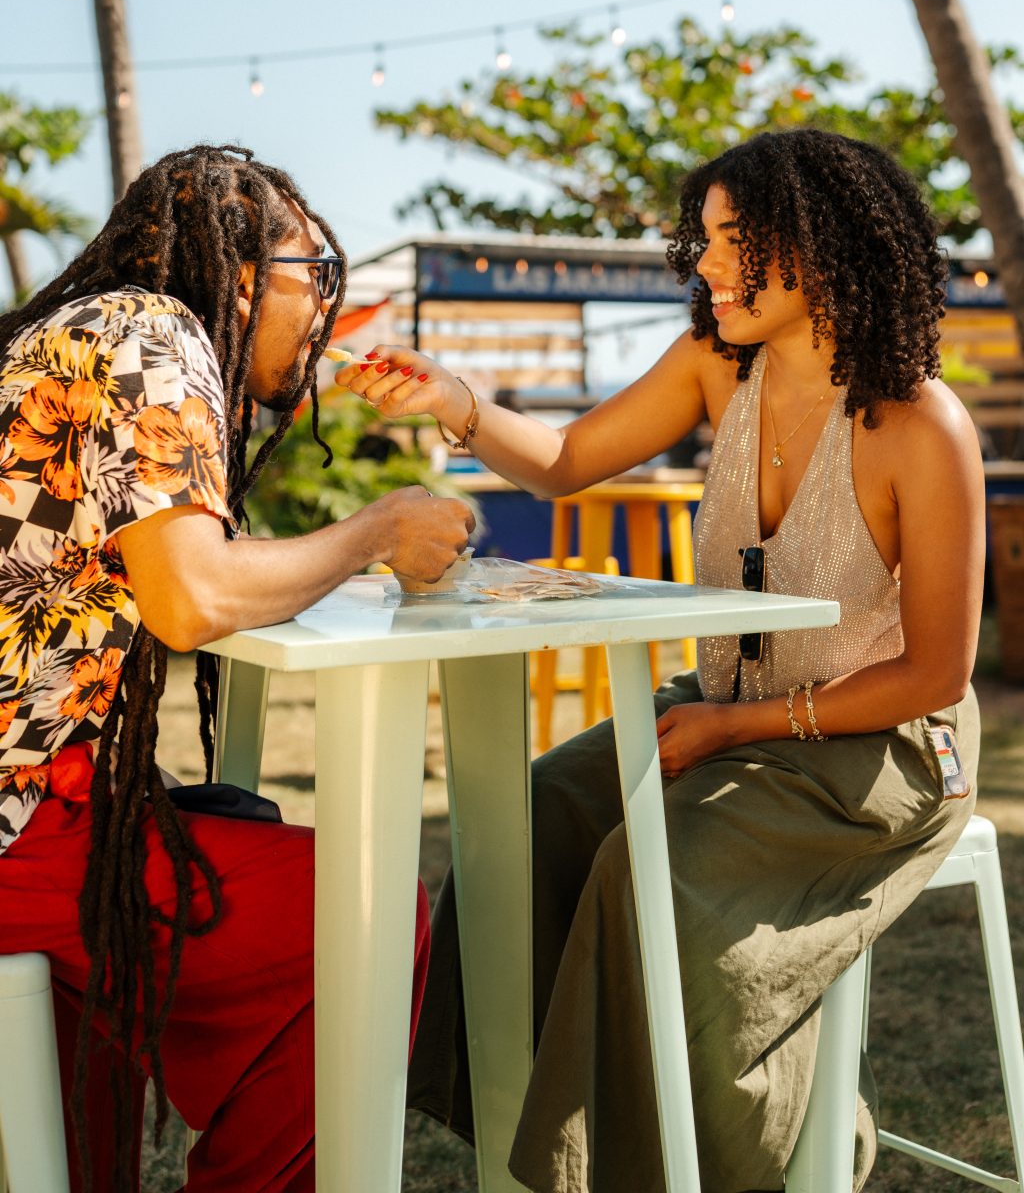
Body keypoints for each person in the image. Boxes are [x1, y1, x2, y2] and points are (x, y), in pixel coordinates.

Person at [338, 128, 985, 1193]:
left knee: (652, 872)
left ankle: (772, 1152)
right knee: (525, 820)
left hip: (881, 747)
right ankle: (532, 1136)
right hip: (725, 709)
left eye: (736, 240)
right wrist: (454, 399)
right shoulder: (714, 367)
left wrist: (734, 726)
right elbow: (563, 461)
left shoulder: (922, 426)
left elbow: (935, 676)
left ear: (820, 246)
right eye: (706, 237)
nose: (706, 263)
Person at [0, 144, 474, 1193]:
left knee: (217, 840)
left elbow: (171, 573)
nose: (328, 307)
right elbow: (194, 597)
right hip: (17, 816)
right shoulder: (151, 334)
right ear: (245, 276)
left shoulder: (83, 327)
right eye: (319, 274)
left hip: (35, 796)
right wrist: (378, 529)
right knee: (357, 911)